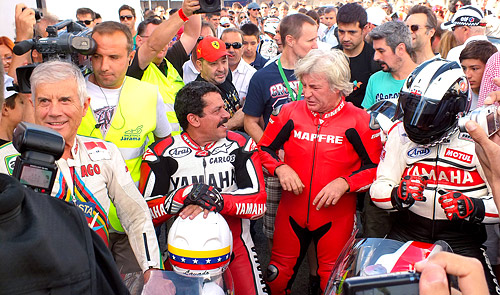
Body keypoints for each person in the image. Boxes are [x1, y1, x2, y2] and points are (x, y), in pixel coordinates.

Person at [0, 60, 162, 276]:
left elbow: (136, 215)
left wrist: (152, 269)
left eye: (65, 100)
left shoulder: (105, 152)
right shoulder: (5, 158)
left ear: (85, 106)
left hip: (95, 277)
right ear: (33, 105)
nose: (54, 111)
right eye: (44, 101)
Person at [370, 58, 500, 294]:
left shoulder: (479, 133)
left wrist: (473, 207)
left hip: (462, 239)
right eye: (411, 107)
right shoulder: (399, 133)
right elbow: (379, 188)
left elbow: (499, 199)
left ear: (454, 108)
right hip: (405, 233)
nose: (417, 121)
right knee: (373, 290)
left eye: (428, 112)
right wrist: (398, 194)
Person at [258, 49, 382, 294]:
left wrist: (345, 183)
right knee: (276, 277)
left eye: (314, 87)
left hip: (335, 217)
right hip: (291, 212)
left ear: (337, 87)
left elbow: (377, 168)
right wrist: (280, 168)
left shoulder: (360, 120)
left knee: (333, 282)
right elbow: (263, 149)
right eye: (304, 85)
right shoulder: (288, 112)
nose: (306, 93)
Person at [139, 81, 268, 295]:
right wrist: (183, 196)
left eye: (224, 108)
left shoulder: (241, 145)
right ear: (194, 119)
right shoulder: (160, 153)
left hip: (237, 251)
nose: (227, 115)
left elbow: (258, 204)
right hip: (181, 255)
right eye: (217, 110)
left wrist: (216, 199)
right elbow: (146, 214)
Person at [78, 21, 172, 275]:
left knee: (139, 286)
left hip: (132, 220)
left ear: (131, 57)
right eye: (96, 56)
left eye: (114, 57)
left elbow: (165, 148)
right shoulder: (69, 93)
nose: (104, 66)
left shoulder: (149, 94)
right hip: (80, 222)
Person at [243, 13, 318, 249]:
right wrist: (273, 149)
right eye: (310, 40)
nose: (316, 45)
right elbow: (250, 122)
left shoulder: (318, 73)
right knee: (276, 230)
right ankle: (279, 279)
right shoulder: (263, 76)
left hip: (312, 162)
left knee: (315, 228)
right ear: (290, 40)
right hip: (277, 167)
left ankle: (314, 282)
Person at [126, 0, 201, 136]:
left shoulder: (171, 60)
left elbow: (191, 34)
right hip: (151, 147)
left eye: (166, 36)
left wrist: (195, 5)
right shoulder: (135, 64)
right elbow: (152, 46)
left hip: (178, 145)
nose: (162, 42)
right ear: (139, 40)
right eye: (154, 37)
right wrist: (183, 13)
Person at [362, 21, 417, 109]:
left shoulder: (424, 79)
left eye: (381, 51)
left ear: (400, 49)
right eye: (375, 51)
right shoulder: (375, 80)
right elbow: (367, 119)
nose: (375, 57)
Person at [335, 3, 381, 108]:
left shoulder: (376, 58)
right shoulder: (330, 56)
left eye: (352, 32)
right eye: (341, 32)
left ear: (365, 29)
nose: (346, 38)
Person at [195, 36, 243, 130]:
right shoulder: (197, 94)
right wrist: (233, 123)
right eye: (213, 63)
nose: (221, 69)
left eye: (224, 61)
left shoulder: (225, 77)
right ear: (200, 65)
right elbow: (204, 132)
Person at [459, 40, 498, 109]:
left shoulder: (496, 99)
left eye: (474, 69)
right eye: (464, 68)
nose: (467, 75)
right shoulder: (461, 97)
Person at [220, 28, 256, 100]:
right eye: (226, 45)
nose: (231, 50)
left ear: (242, 49)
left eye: (236, 45)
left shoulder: (253, 75)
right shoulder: (211, 71)